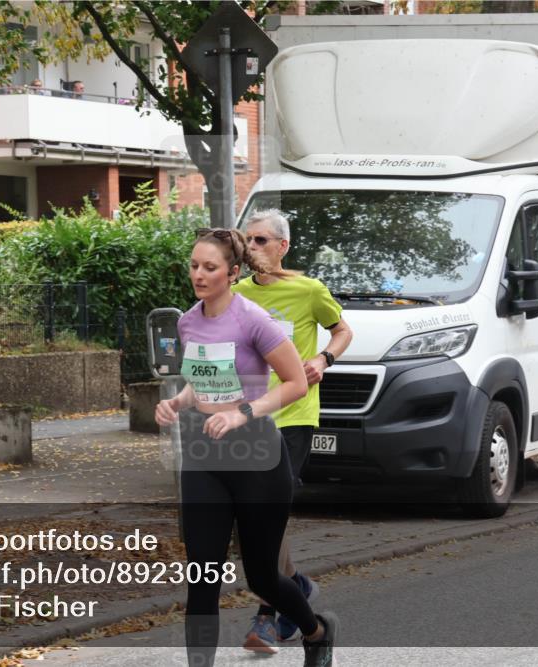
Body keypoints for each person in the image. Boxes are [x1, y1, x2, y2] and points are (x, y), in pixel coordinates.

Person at [155, 228, 338, 667]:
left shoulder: (255, 319)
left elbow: (295, 383)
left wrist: (244, 412)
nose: (199, 275)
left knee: (261, 576)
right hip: (205, 456)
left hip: (256, 455)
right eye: (194, 265)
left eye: (210, 267)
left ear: (232, 272)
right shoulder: (187, 320)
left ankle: (316, 632)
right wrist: (176, 403)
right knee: (201, 575)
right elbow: (201, 386)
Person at [233, 209, 353, 654]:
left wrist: (324, 360)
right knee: (251, 521)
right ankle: (295, 584)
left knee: (270, 515)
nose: (252, 248)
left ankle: (266, 617)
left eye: (261, 240)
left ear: (283, 247)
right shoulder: (236, 294)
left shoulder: (308, 290)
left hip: (294, 417)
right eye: (248, 240)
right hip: (248, 418)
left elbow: (342, 330)